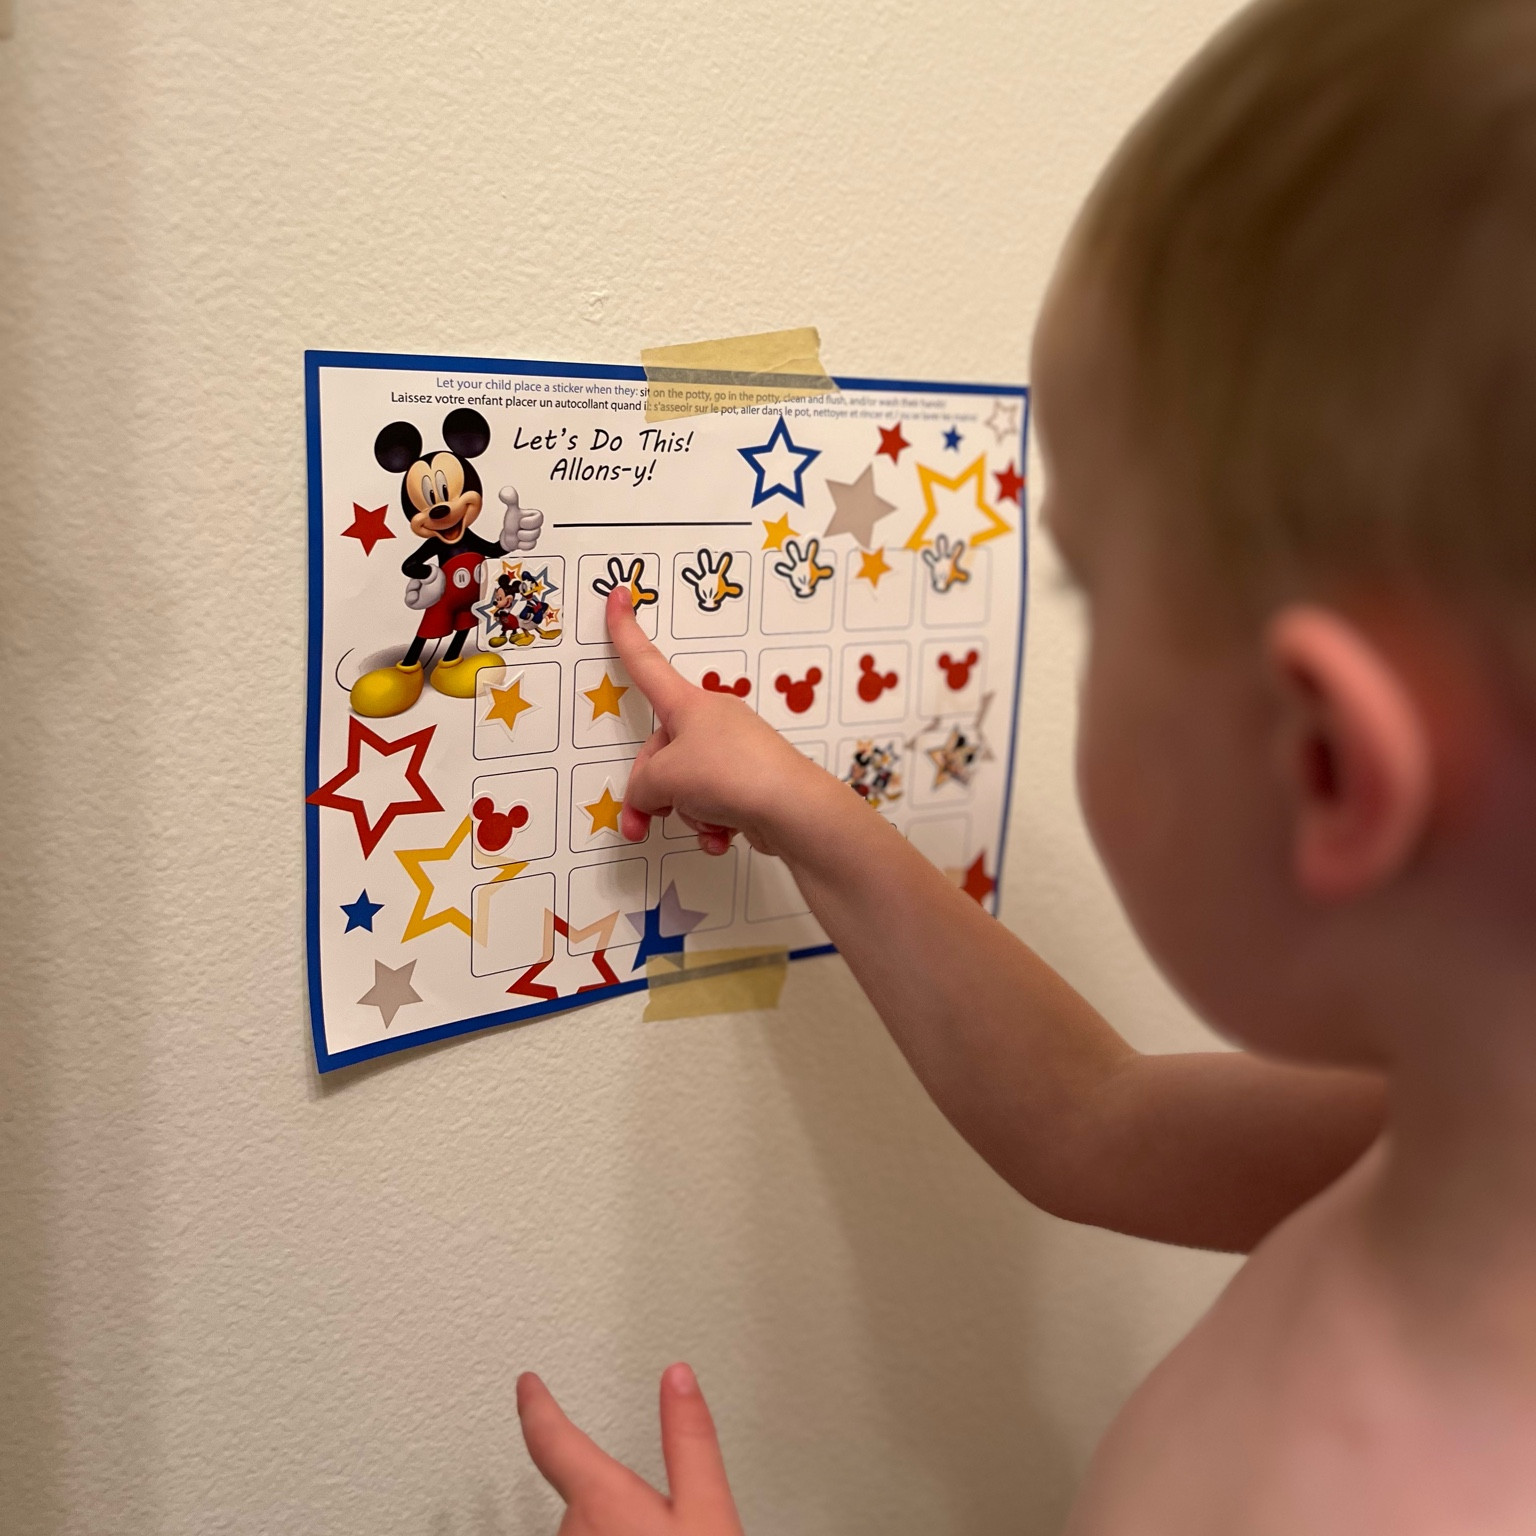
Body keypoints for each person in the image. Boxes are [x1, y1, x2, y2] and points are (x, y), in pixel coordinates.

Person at [516, 0, 1536, 1528]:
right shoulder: (1443, 1144)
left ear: (1325, 766)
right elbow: (1093, 1120)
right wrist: (811, 809)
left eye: (1089, 584)